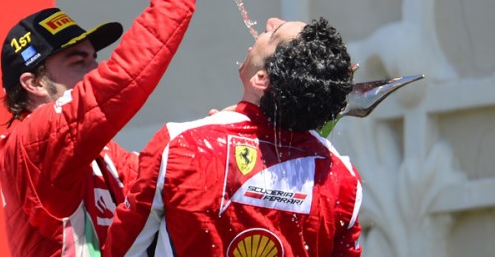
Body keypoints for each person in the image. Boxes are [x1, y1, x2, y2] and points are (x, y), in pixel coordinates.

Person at [0, 0, 229, 257]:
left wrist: (220, 137)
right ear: (33, 83)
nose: (96, 68)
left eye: (94, 57)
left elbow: (172, 183)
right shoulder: (29, 145)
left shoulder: (109, 160)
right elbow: (119, 79)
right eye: (78, 61)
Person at [104, 17, 363, 256]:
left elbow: (124, 250)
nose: (270, 21)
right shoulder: (341, 178)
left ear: (261, 79)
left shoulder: (181, 144)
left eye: (273, 33)